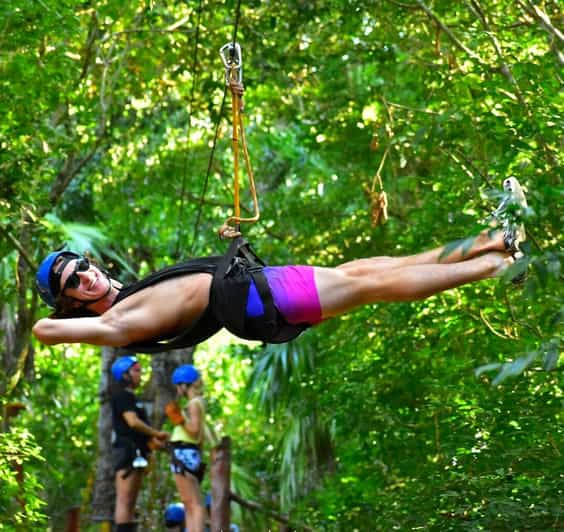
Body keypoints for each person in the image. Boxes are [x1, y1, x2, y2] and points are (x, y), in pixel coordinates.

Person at [31, 178, 528, 353]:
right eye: (72, 281)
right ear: (71, 300)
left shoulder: (130, 293)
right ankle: (495, 264)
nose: (85, 274)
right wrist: (69, 319)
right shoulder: (116, 323)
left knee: (377, 268)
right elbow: (43, 331)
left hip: (258, 289)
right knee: (380, 283)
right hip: (262, 300)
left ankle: (494, 241)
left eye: (81, 265)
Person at [110, 355, 170, 532]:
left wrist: (153, 441)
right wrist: (156, 433)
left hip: (137, 452)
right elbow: (133, 422)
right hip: (127, 452)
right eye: (136, 370)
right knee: (125, 501)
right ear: (125, 374)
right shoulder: (122, 396)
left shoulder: (132, 398)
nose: (140, 374)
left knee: (130, 503)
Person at [166, 365, 207, 532]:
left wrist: (178, 419)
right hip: (186, 453)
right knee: (189, 503)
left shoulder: (193, 404)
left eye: (178, 385)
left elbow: (194, 430)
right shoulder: (196, 403)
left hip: (184, 454)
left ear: (184, 385)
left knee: (194, 504)